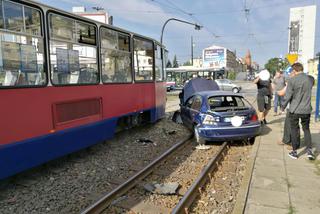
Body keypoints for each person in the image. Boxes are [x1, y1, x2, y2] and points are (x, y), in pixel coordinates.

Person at [283, 62, 314, 160]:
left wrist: (283, 106)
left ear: (295, 70)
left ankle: (295, 152)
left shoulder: (292, 80)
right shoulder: (309, 80)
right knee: (306, 129)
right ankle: (309, 151)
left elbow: (288, 96)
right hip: (306, 109)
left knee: (294, 130)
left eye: (293, 70)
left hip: (295, 109)